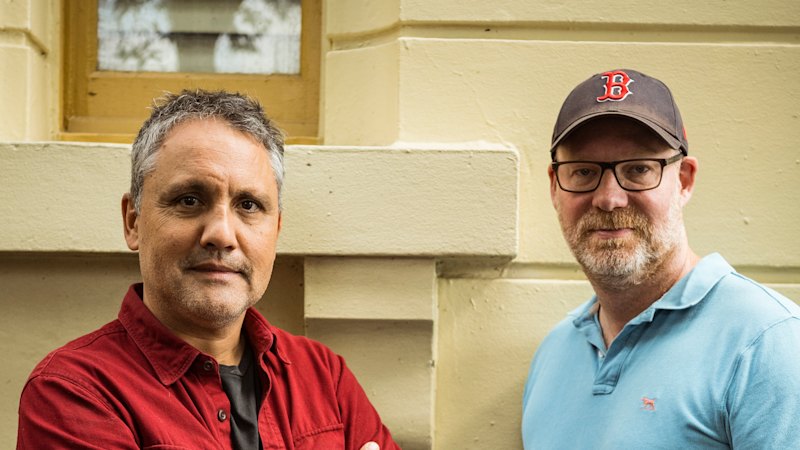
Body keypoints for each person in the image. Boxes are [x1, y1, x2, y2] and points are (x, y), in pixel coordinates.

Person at [17, 90, 399, 450]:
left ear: (276, 231)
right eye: (189, 200)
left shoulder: (324, 376)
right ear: (133, 221)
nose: (221, 234)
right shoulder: (74, 391)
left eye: (248, 205)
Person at [522, 69, 800, 448]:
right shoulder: (554, 354)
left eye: (638, 170)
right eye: (584, 172)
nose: (609, 198)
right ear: (555, 187)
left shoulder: (767, 343)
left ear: (684, 179)